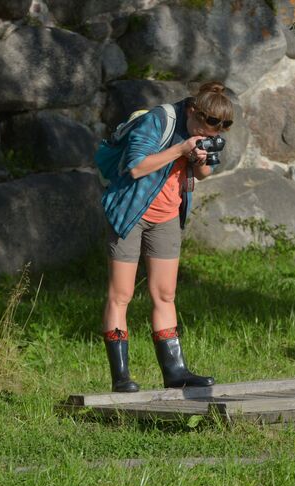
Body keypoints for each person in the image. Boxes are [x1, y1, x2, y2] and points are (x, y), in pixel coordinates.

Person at [99, 81, 234, 392]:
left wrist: (198, 161)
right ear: (193, 112)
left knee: (165, 295)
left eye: (219, 132)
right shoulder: (159, 121)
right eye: (208, 127)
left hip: (167, 217)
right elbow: (135, 167)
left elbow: (203, 175)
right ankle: (121, 378)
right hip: (130, 214)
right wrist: (180, 149)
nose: (212, 135)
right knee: (121, 295)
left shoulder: (205, 133)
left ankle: (175, 372)